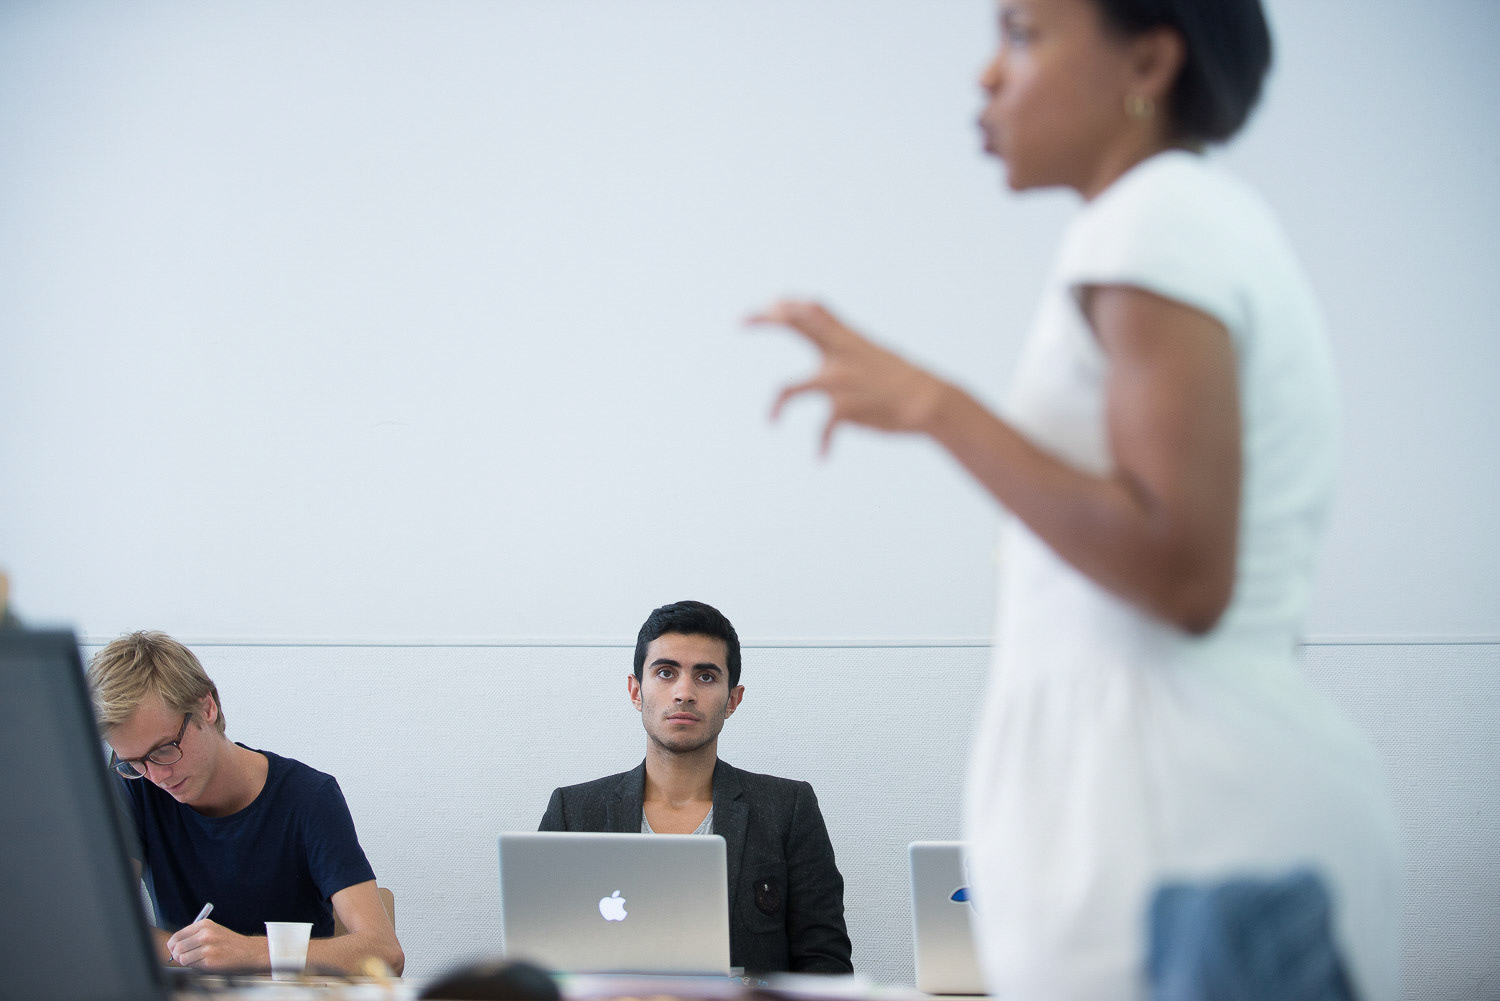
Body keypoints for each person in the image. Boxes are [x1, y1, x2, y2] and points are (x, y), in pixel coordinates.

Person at [747, 1, 1399, 999]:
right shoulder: (1169, 221)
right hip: (1181, 853)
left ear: (1149, 57)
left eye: (1023, 35)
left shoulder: (1156, 217)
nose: (986, 77)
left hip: (1195, 853)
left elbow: (1183, 569)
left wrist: (937, 406)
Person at [539, 600, 853, 974]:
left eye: (705, 676)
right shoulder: (573, 812)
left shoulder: (788, 809)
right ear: (636, 690)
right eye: (666, 673)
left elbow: (826, 965)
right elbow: (536, 963)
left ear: (732, 700)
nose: (684, 692)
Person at [86, 631, 404, 975]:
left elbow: (385, 952)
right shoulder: (131, 788)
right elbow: (104, 929)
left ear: (207, 706)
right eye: (134, 762)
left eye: (165, 750)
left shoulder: (308, 797)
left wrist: (250, 952)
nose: (156, 776)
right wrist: (195, 953)